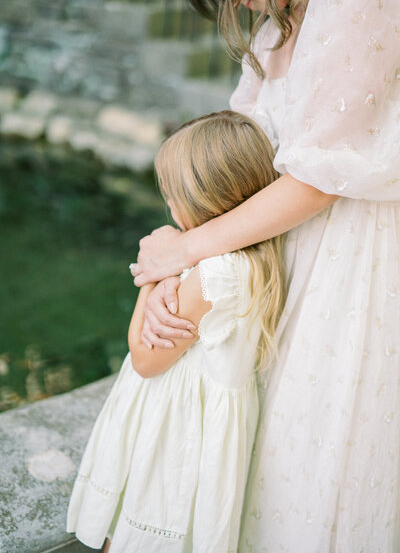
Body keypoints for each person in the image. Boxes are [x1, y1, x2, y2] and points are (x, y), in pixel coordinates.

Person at [130, 0, 400, 551]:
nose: (231, 2)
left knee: (314, 454)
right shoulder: (275, 22)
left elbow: (319, 178)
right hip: (266, 251)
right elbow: (234, 163)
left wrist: (186, 251)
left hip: (349, 263)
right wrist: (169, 249)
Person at [66, 111, 286, 553]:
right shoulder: (254, 261)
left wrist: (152, 277)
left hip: (177, 434)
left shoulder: (214, 276)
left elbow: (146, 360)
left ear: (207, 201)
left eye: (171, 198)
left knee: (139, 527)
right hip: (199, 424)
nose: (169, 209)